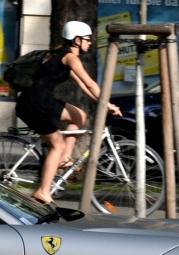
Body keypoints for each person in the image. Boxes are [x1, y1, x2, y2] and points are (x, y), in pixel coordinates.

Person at [14, 20, 121, 204]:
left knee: (79, 115)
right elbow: (90, 84)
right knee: (57, 145)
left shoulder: (59, 55)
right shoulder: (70, 57)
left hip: (37, 100)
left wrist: (103, 103)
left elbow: (83, 86)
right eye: (87, 39)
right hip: (36, 104)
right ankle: (43, 191)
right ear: (77, 39)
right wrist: (109, 104)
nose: (90, 42)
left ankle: (65, 158)